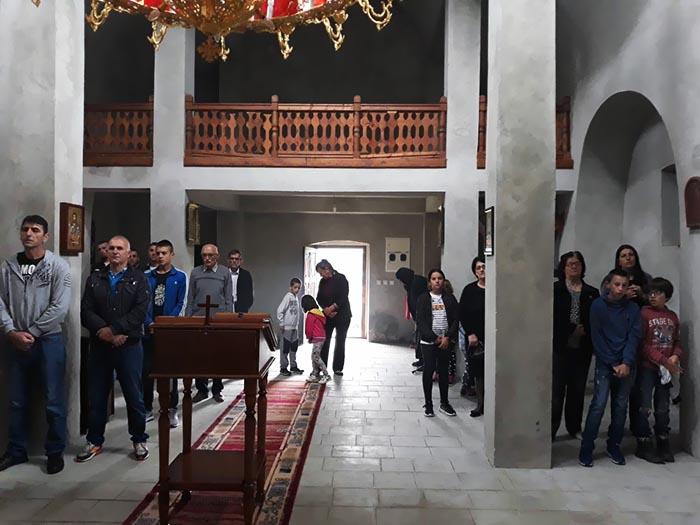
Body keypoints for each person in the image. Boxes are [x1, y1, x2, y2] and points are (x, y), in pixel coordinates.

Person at [0, 215, 72, 475]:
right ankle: (16, 450)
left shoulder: (58, 266)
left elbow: (60, 306)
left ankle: (54, 452)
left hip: (48, 340)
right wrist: (10, 331)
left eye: (35, 230)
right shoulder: (8, 266)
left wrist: (31, 332)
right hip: (15, 340)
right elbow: (0, 301)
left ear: (46, 236)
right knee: (16, 400)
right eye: (25, 229)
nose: (29, 234)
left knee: (53, 400)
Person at [79, 235, 151, 463]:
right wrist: (104, 331)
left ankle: (139, 439)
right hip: (100, 346)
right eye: (111, 248)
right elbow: (86, 311)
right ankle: (94, 441)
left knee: (133, 395)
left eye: (120, 248)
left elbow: (140, 312)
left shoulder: (139, 279)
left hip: (128, 345)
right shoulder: (95, 279)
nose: (115, 252)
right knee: (97, 396)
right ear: (106, 252)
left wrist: (116, 330)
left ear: (128, 253)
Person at [579, 268, 641, 468]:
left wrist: (626, 362)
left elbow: (634, 337)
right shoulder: (598, 306)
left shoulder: (633, 308)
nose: (620, 289)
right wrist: (613, 363)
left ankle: (614, 445)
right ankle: (586, 448)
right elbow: (597, 337)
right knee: (598, 404)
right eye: (617, 284)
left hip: (626, 364)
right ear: (608, 284)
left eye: (624, 285)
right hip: (606, 363)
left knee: (620, 405)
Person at [633, 277, 682, 464]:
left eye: (658, 293)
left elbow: (676, 341)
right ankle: (643, 443)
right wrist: (663, 360)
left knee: (663, 408)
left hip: (665, 371)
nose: (653, 296)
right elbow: (642, 344)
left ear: (667, 297)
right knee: (644, 406)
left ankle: (663, 441)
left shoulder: (672, 317)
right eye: (650, 293)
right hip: (648, 368)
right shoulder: (644, 314)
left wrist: (675, 356)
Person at [552, 251, 599, 440]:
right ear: (563, 268)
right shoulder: (555, 290)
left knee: (577, 390)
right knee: (556, 391)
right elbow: (552, 318)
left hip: (582, 348)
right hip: (560, 347)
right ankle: (551, 429)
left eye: (577, 263)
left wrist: (584, 334)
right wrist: (571, 330)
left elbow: (595, 320)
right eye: (570, 264)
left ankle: (574, 427)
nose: (574, 267)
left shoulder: (591, 293)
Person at [143, 240, 187, 428]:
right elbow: (142, 302)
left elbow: (181, 303)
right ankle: (146, 408)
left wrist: (168, 322)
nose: (160, 256)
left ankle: (172, 408)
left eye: (164, 253)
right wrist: (149, 322)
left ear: (172, 255)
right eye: (157, 253)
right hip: (149, 329)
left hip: (169, 331)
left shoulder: (180, 276)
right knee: (146, 370)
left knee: (170, 371)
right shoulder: (147, 276)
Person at [186, 244, 233, 403]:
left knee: (218, 355)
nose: (207, 258)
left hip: (218, 319)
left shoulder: (224, 272)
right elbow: (191, 298)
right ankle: (201, 389)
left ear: (217, 256)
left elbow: (228, 299)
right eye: (204, 255)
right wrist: (188, 318)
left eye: (210, 255)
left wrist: (227, 319)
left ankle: (217, 389)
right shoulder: (195, 273)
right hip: (199, 319)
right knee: (199, 356)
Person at [416, 268, 459, 417]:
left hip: (445, 341)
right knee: (429, 370)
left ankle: (444, 403)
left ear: (443, 281)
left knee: (443, 371)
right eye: (434, 279)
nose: (437, 281)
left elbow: (455, 319)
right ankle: (428, 404)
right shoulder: (423, 298)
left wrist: (447, 337)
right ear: (430, 282)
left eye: (439, 278)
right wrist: (434, 338)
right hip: (429, 341)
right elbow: (420, 321)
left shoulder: (450, 298)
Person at [458, 257, 486, 417]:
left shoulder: (496, 288)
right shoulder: (469, 290)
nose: (482, 270)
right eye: (478, 268)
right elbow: (463, 314)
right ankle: (480, 405)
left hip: (494, 336)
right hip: (476, 339)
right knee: (479, 373)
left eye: (484, 266)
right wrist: (470, 333)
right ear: (475, 272)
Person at [315, 259, 351, 375]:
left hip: (343, 315)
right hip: (328, 316)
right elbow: (319, 298)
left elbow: (343, 297)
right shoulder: (322, 282)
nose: (321, 275)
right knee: (325, 341)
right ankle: (322, 367)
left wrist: (332, 308)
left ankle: (338, 368)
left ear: (327, 269)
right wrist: (326, 310)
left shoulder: (341, 279)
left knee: (340, 341)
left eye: (321, 272)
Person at [395, 267, 428, 371]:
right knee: (419, 337)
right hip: (418, 316)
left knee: (422, 338)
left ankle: (425, 361)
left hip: (423, 316)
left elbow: (419, 299)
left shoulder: (417, 282)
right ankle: (421, 359)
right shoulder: (411, 283)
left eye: (401, 279)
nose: (401, 282)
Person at [277, 277, 304, 376]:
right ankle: (283, 367)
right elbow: (280, 310)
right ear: (290, 287)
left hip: (294, 328)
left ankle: (293, 365)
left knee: (294, 347)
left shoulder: (296, 297)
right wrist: (281, 323)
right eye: (295, 287)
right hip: (287, 328)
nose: (297, 289)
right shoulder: (288, 297)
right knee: (285, 348)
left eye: (299, 288)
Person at [301, 295, 330, 384]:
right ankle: (314, 374)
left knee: (316, 357)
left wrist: (309, 337)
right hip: (321, 337)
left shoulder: (311, 314)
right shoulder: (319, 313)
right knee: (314, 356)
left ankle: (326, 375)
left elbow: (309, 328)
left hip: (317, 337)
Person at [228, 249, 254, 313]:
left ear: (240, 261)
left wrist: (245, 306)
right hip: (226, 307)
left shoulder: (246, 275)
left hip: (241, 309)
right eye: (232, 258)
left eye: (236, 259)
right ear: (228, 260)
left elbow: (249, 294)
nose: (234, 261)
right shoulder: (224, 273)